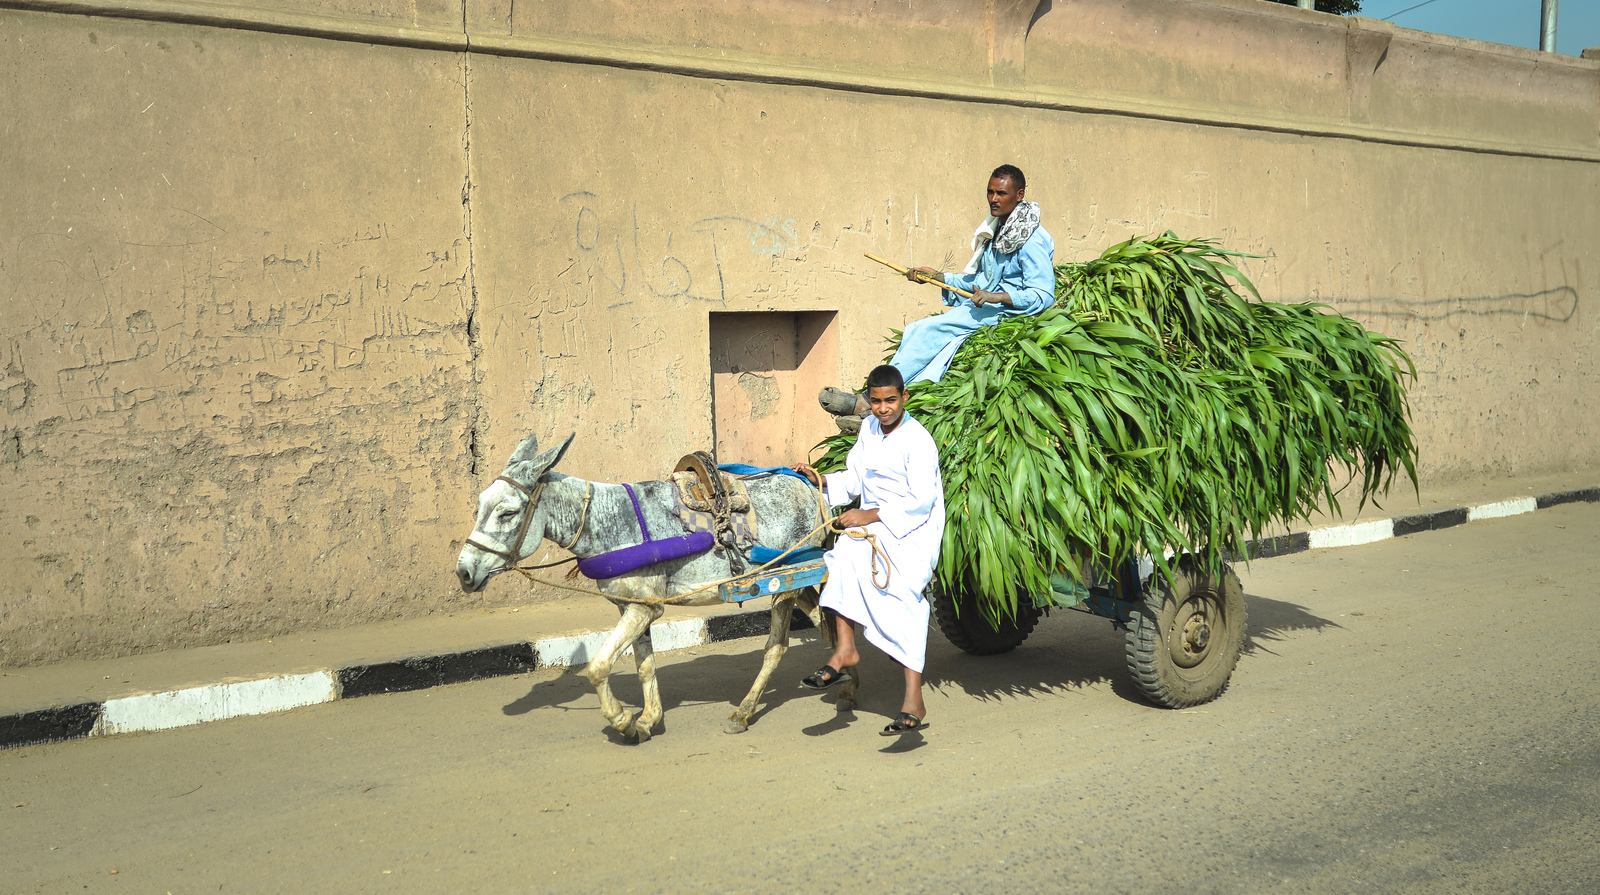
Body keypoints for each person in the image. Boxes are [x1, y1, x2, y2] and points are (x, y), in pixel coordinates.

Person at [818, 164, 1056, 428]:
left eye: (1001, 193)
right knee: (916, 330)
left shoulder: (1031, 239)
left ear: (1019, 194)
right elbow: (979, 282)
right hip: (986, 309)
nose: (993, 199)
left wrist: (997, 297)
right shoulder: (997, 231)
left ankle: (870, 401)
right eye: (989, 192)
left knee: (928, 330)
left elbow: (1042, 295)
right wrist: (937, 277)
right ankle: (879, 402)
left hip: (1011, 315)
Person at [793, 364, 944, 736]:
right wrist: (822, 480)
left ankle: (914, 698)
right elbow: (855, 478)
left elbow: (922, 502)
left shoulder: (919, 440)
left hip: (912, 530)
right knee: (843, 555)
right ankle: (845, 649)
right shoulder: (870, 431)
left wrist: (868, 514)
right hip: (874, 525)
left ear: (904, 398)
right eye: (876, 401)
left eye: (890, 400)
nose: (882, 408)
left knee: (902, 595)